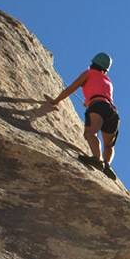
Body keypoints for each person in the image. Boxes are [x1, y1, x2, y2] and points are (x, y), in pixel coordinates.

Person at [48, 52, 121, 180]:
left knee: (90, 133)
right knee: (109, 145)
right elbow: (102, 95)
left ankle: (97, 160)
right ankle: (107, 165)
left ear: (92, 63)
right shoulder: (108, 81)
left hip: (98, 106)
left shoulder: (88, 73)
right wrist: (89, 102)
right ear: (105, 70)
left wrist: (56, 101)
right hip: (112, 112)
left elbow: (71, 88)